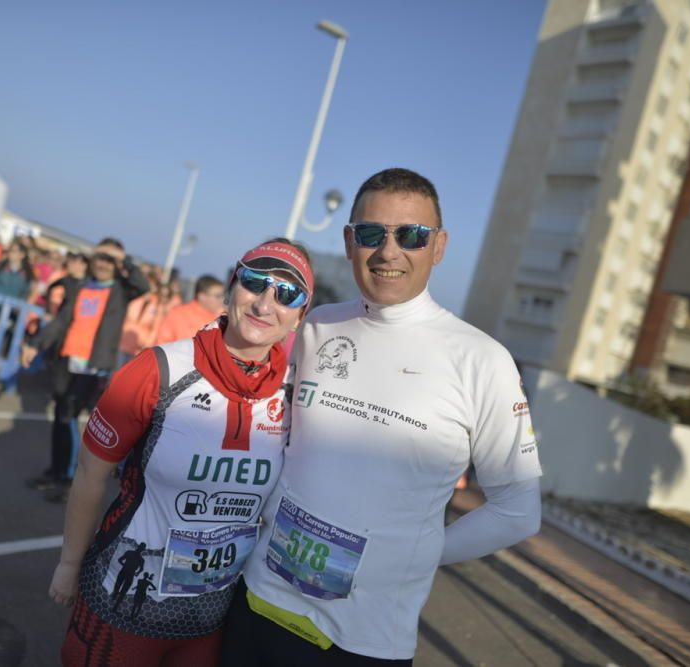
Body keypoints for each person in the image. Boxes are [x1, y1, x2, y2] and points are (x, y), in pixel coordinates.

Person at [221, 168, 544, 666]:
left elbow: (519, 510)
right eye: (372, 233)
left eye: (412, 236)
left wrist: (418, 555)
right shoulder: (318, 326)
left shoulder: (482, 361)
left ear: (438, 247)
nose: (389, 252)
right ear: (351, 242)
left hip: (362, 641)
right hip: (257, 603)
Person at [48, 239, 315, 667]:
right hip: (124, 605)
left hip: (210, 618)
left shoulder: (294, 394)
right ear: (232, 289)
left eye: (287, 294)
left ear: (300, 315)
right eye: (255, 283)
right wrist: (68, 563)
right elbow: (90, 474)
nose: (266, 303)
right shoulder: (159, 369)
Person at [20, 238, 149, 503]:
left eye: (109, 260)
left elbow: (142, 285)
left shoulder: (121, 290)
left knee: (69, 416)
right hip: (67, 360)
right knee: (59, 416)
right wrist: (35, 344)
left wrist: (122, 259)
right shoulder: (81, 287)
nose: (103, 264)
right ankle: (55, 472)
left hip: (92, 367)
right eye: (100, 257)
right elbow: (61, 321)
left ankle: (70, 480)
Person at [154, 274, 225, 345]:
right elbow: (162, 344)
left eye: (222, 296)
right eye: (217, 296)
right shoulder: (178, 314)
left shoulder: (221, 320)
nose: (222, 300)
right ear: (202, 296)